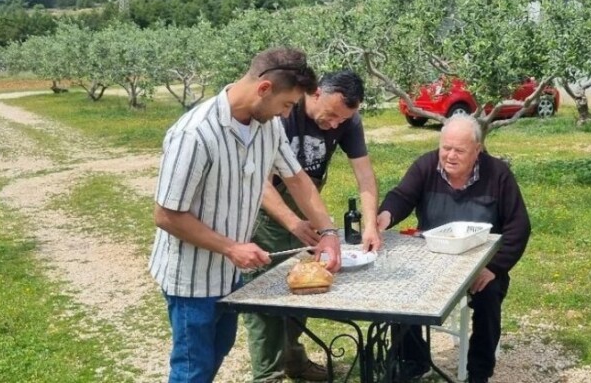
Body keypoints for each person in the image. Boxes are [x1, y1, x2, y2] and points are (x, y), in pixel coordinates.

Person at [148, 47, 343, 383]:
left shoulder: (267, 126)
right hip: (190, 279)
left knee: (217, 351)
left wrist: (328, 232)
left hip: (227, 275)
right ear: (264, 88)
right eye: (285, 105)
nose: (285, 115)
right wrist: (230, 247)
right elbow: (166, 215)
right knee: (192, 368)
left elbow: (297, 179)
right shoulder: (195, 134)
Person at [243, 69, 382, 382]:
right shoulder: (280, 115)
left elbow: (365, 177)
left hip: (305, 212)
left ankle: (293, 358)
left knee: (304, 288)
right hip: (264, 214)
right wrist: (292, 222)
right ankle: (268, 376)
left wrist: (371, 224)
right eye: (331, 115)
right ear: (315, 92)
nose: (334, 125)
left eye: (341, 121)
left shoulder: (347, 119)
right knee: (265, 298)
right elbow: (259, 185)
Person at [375, 114, 532, 383]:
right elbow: (402, 196)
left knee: (489, 295)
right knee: (401, 286)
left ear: (477, 151)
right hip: (432, 257)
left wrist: (494, 267)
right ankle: (413, 360)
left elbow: (519, 226)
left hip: (480, 264)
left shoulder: (498, 175)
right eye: (445, 148)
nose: (449, 156)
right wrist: (385, 216)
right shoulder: (426, 166)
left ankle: (479, 371)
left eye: (459, 150)